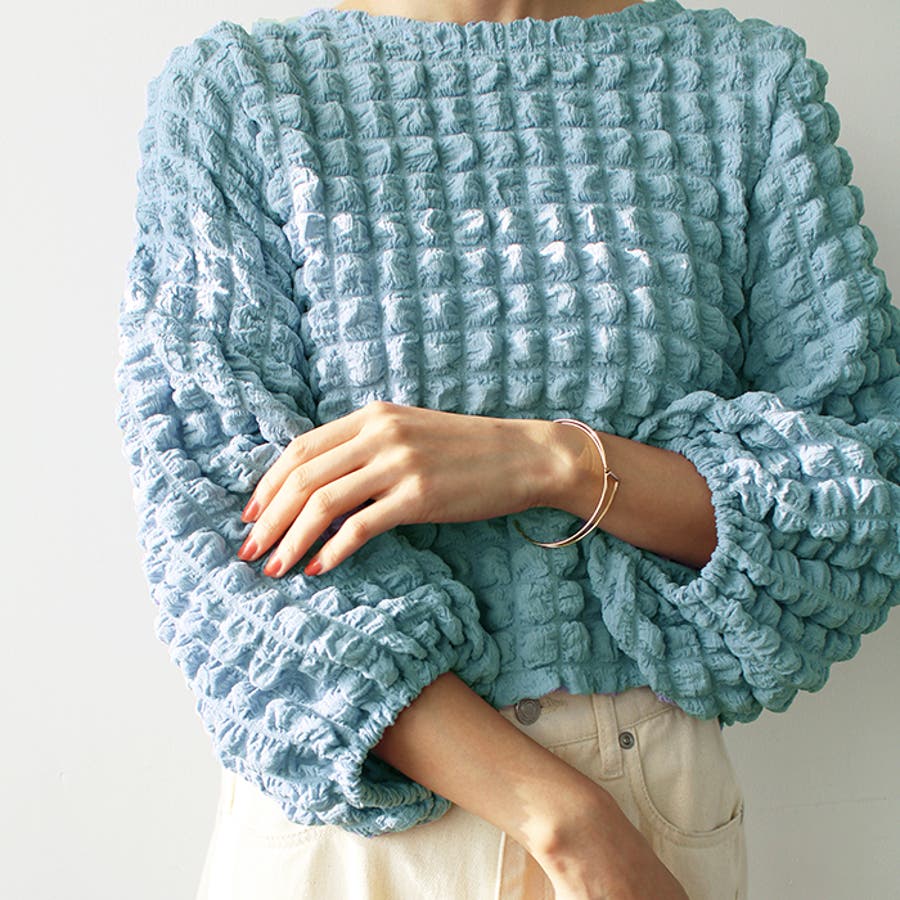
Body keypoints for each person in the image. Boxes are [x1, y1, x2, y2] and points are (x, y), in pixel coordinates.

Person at [114, 0, 899, 897]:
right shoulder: (243, 95)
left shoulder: (743, 86)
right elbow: (217, 536)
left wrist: (556, 465)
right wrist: (567, 822)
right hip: (363, 815)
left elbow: (854, 504)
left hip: (651, 792)